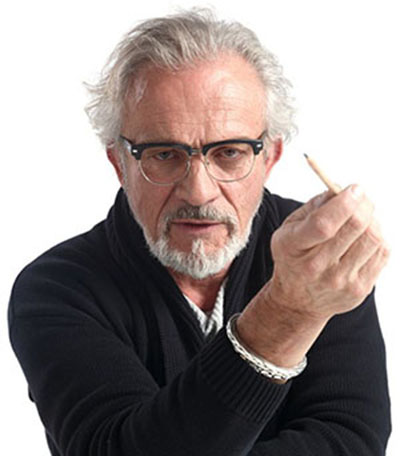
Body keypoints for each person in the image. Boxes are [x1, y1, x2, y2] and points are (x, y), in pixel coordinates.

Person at [8, 8, 391, 456]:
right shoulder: (56, 288)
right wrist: (288, 312)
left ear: (269, 157)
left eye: (229, 153)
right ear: (119, 163)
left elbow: (351, 440)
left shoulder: (321, 256)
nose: (198, 191)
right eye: (164, 154)